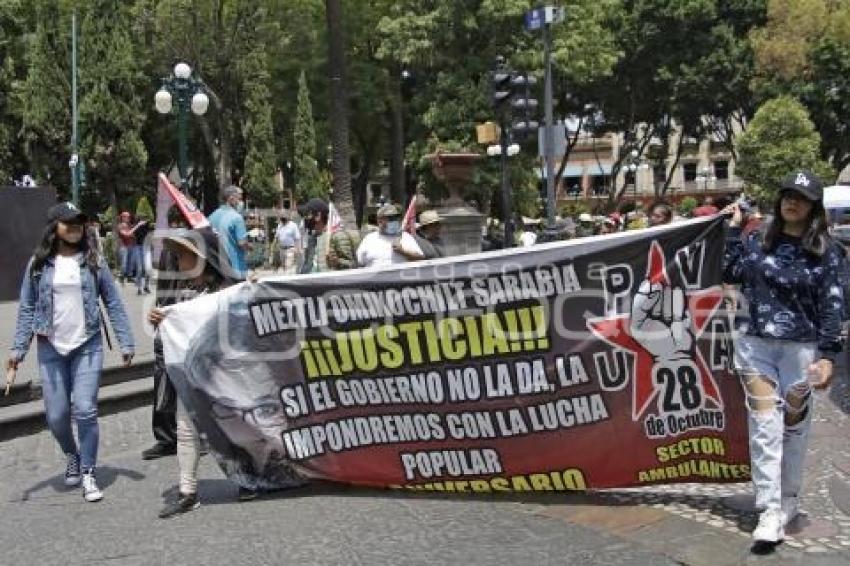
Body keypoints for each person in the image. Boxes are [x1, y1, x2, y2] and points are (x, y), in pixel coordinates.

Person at [722, 170, 845, 545]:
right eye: (788, 195)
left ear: (813, 207)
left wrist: (828, 356)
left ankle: (789, 498)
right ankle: (770, 509)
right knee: (764, 426)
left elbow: (833, 303)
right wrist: (732, 230)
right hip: (754, 344)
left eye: (802, 198)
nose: (793, 202)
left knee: (795, 427)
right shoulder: (758, 240)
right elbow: (730, 272)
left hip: (801, 349)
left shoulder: (828, 250)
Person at [8, 202, 135, 502]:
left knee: (86, 409)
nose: (76, 228)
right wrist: (17, 351)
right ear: (55, 228)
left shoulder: (93, 261)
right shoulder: (38, 265)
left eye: (79, 223)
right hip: (50, 347)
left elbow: (113, 302)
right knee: (56, 416)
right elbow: (27, 308)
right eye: (69, 223)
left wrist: (126, 341)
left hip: (87, 344)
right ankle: (72, 455)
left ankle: (89, 471)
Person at [147, 228, 244, 518]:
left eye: (185, 255)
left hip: (225, 376)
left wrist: (252, 288)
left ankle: (252, 477)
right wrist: (158, 320)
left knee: (236, 427)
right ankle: (187, 491)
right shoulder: (176, 290)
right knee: (186, 429)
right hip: (188, 374)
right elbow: (167, 331)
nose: (179, 262)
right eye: (177, 256)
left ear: (204, 259)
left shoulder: (229, 290)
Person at [356, 204, 423, 267]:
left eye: (395, 218)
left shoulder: (405, 236)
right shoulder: (369, 239)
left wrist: (402, 251)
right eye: (390, 218)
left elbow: (420, 258)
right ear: (379, 221)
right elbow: (360, 262)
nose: (394, 221)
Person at [208, 185, 250, 280]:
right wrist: (249, 247)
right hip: (235, 268)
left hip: (217, 269)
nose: (241, 203)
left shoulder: (211, 217)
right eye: (239, 199)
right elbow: (242, 243)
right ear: (231, 198)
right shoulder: (236, 218)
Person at [299, 198, 331, 274]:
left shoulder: (332, 239)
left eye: (308, 214)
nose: (305, 218)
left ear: (318, 216)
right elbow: (307, 265)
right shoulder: (311, 239)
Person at [132, 213, 152, 295]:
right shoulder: (136, 228)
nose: (143, 221)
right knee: (140, 269)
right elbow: (131, 232)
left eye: (144, 219)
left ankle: (146, 286)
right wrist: (138, 225)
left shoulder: (148, 227)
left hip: (146, 248)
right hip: (138, 248)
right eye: (142, 219)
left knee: (148, 269)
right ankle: (139, 288)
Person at [117, 211, 135, 283]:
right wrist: (130, 234)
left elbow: (133, 236)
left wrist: (131, 235)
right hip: (123, 246)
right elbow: (126, 235)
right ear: (122, 217)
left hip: (130, 245)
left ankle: (129, 277)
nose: (128, 218)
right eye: (126, 216)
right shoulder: (120, 225)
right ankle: (122, 276)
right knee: (124, 262)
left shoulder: (130, 226)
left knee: (130, 262)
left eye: (128, 217)